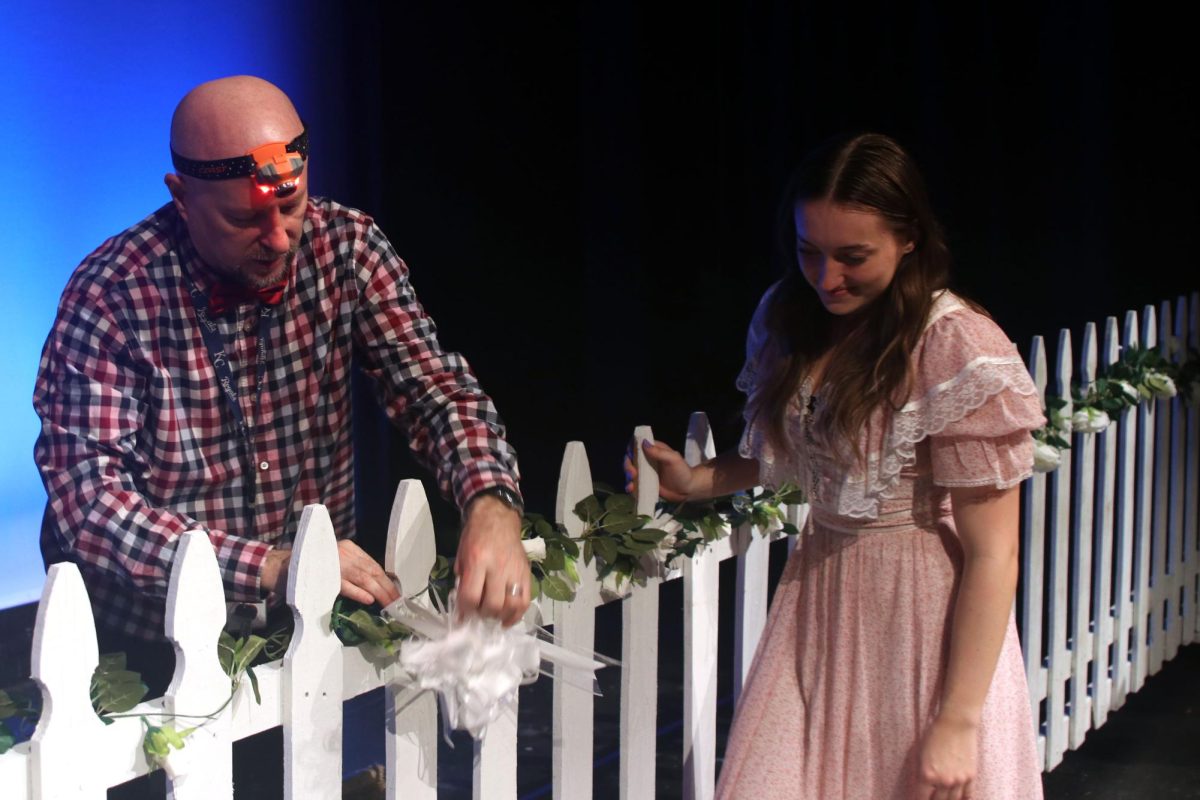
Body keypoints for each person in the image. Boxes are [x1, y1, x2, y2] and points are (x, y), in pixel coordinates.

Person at [33, 75, 533, 689]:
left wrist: (492, 503)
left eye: (290, 206)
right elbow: (89, 501)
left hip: (304, 629)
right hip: (145, 641)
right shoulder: (112, 295)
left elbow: (434, 393)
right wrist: (266, 566)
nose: (278, 238)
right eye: (246, 218)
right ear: (182, 196)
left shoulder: (347, 247)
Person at [635, 133, 1044, 799]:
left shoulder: (950, 340)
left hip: (917, 617)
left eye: (853, 257)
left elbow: (995, 555)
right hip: (818, 598)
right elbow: (810, 460)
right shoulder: (789, 317)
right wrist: (699, 481)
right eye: (809, 252)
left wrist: (958, 720)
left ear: (909, 238)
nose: (827, 278)